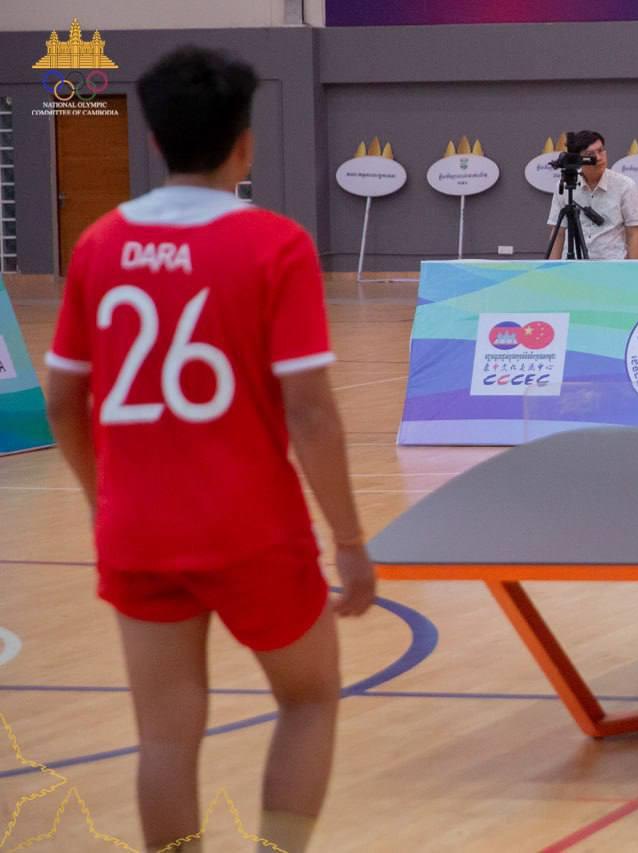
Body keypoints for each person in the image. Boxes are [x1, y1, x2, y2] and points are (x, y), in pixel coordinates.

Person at [42, 46, 375, 852]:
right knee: (308, 698)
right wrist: (350, 539)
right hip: (252, 528)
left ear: (154, 140)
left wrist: (102, 500)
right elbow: (311, 413)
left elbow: (61, 398)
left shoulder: (98, 244)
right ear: (245, 143)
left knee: (164, 738)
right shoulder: (275, 244)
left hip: (138, 530)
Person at [546, 130, 638, 260]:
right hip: (573, 266)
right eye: (590, 155)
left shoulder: (625, 186)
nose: (598, 158)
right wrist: (553, 269)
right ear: (578, 159)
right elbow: (558, 233)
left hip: (611, 265)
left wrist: (633, 269)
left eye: (601, 151)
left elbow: (634, 232)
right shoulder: (565, 185)